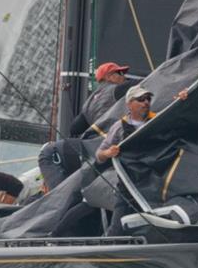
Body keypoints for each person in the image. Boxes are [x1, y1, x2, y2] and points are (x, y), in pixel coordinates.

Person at [96, 84, 189, 236]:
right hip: (128, 185)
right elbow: (99, 156)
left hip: (156, 182)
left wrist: (183, 101)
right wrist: (108, 152)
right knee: (117, 228)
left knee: (156, 226)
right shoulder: (119, 127)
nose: (146, 102)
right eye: (140, 99)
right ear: (129, 104)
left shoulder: (158, 120)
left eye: (148, 99)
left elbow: (179, 122)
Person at [37, 62, 136, 192]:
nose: (124, 77)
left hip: (74, 152)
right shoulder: (117, 90)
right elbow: (143, 83)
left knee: (62, 195)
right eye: (120, 73)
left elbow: (75, 128)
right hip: (103, 151)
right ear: (109, 76)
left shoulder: (89, 102)